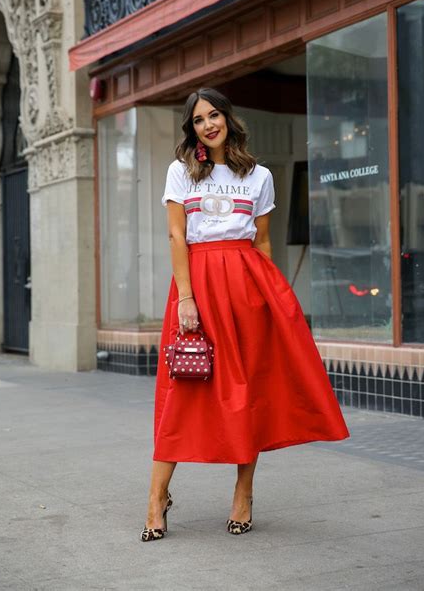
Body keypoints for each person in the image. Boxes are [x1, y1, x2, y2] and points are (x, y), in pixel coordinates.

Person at [141, 87, 350, 541]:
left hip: (249, 287)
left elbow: (263, 243)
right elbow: (178, 238)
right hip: (198, 285)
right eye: (198, 120)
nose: (208, 124)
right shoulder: (181, 172)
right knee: (182, 390)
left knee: (248, 391)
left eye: (214, 115)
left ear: (229, 118)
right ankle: (157, 498)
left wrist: (272, 297)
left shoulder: (259, 176)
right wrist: (186, 298)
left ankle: (243, 494)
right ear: (190, 128)